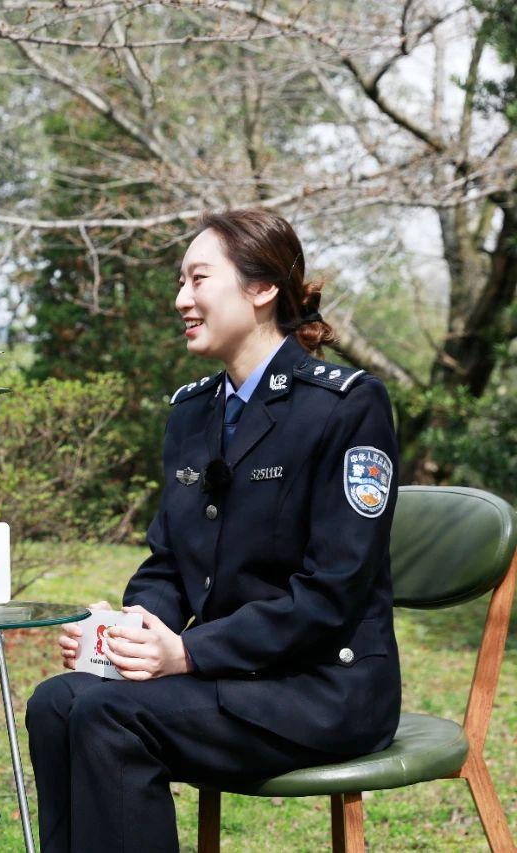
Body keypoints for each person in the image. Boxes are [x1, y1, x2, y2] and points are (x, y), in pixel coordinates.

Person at [26, 208, 400, 852]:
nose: (181, 299)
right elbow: (170, 563)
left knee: (109, 715)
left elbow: (332, 592)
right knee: (56, 703)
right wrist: (131, 630)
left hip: (322, 687)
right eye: (181, 281)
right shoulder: (193, 412)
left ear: (262, 289)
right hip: (229, 678)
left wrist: (188, 653)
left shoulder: (345, 406)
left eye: (198, 279)